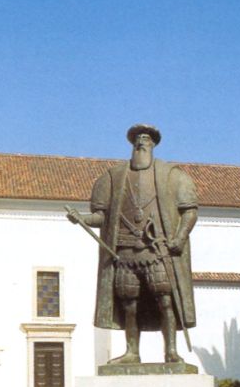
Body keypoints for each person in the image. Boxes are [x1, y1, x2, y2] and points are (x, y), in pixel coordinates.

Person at [67, 124, 198, 364]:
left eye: (146, 139)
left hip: (157, 251)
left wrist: (179, 239)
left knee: (166, 301)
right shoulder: (112, 178)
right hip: (124, 253)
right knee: (129, 304)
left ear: (154, 144)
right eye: (137, 139)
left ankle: (170, 351)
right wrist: (81, 219)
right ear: (131, 144)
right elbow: (101, 217)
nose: (141, 142)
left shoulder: (173, 176)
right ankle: (132, 352)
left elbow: (189, 211)